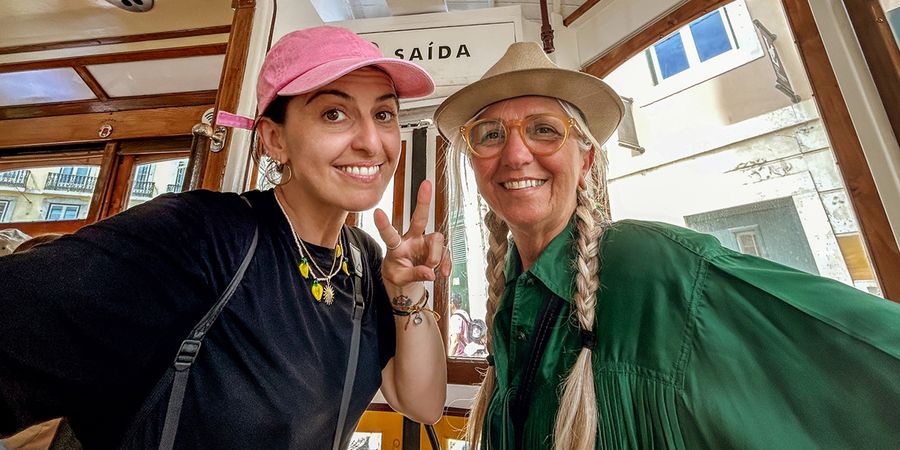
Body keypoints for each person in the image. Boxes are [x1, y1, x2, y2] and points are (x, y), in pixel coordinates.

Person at [434, 41, 900, 450]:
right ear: (476, 165)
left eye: (544, 129)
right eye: (491, 135)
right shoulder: (510, 296)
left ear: (586, 159)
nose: (515, 154)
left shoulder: (655, 266)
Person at [0, 26, 449, 449]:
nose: (372, 142)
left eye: (384, 114)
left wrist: (406, 290)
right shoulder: (201, 236)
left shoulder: (364, 258)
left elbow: (422, 405)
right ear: (275, 140)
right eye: (334, 113)